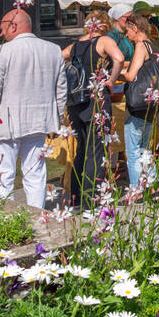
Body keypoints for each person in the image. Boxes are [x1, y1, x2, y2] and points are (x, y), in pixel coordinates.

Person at [0, 9, 67, 208]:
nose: (1, 35)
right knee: (35, 174)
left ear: (13, 26)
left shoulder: (1, 52)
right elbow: (61, 91)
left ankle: (4, 219)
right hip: (40, 120)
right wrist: (58, 119)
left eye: (3, 30)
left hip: (6, 121)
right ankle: (36, 216)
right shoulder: (53, 49)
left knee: (3, 174)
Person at [61, 12, 124, 209]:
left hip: (75, 103)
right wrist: (111, 80)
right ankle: (91, 200)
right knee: (95, 152)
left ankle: (76, 198)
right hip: (96, 100)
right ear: (104, 25)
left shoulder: (75, 45)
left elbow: (57, 58)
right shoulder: (104, 41)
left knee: (81, 150)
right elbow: (119, 58)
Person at [119, 13, 159, 186]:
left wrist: (115, 74)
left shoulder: (140, 46)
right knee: (145, 149)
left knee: (133, 152)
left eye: (128, 31)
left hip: (137, 106)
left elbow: (130, 76)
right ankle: (152, 184)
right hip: (150, 105)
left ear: (135, 28)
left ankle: (136, 189)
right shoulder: (153, 46)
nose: (126, 35)